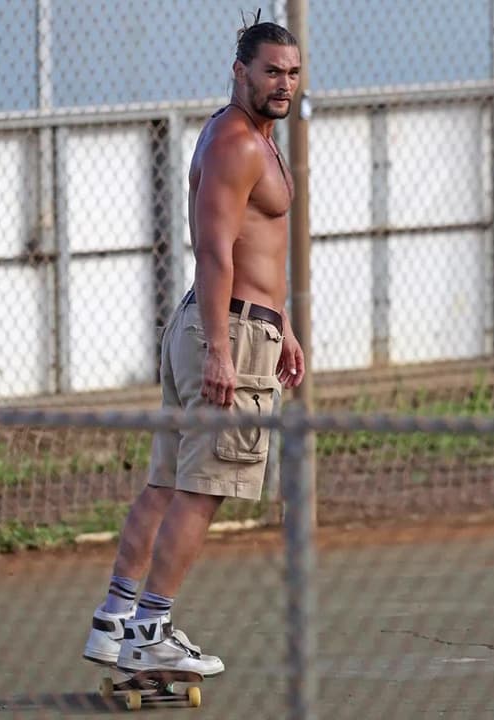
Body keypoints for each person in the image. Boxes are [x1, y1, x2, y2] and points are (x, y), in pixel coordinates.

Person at [83, 18, 305, 676]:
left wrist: (283, 323)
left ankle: (114, 620)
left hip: (235, 322)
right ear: (240, 71)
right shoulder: (237, 143)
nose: (283, 84)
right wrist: (219, 349)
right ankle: (151, 630)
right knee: (202, 489)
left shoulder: (254, 136)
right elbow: (213, 251)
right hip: (225, 329)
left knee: (166, 481)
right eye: (271, 71)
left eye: (292, 72)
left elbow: (253, 248)